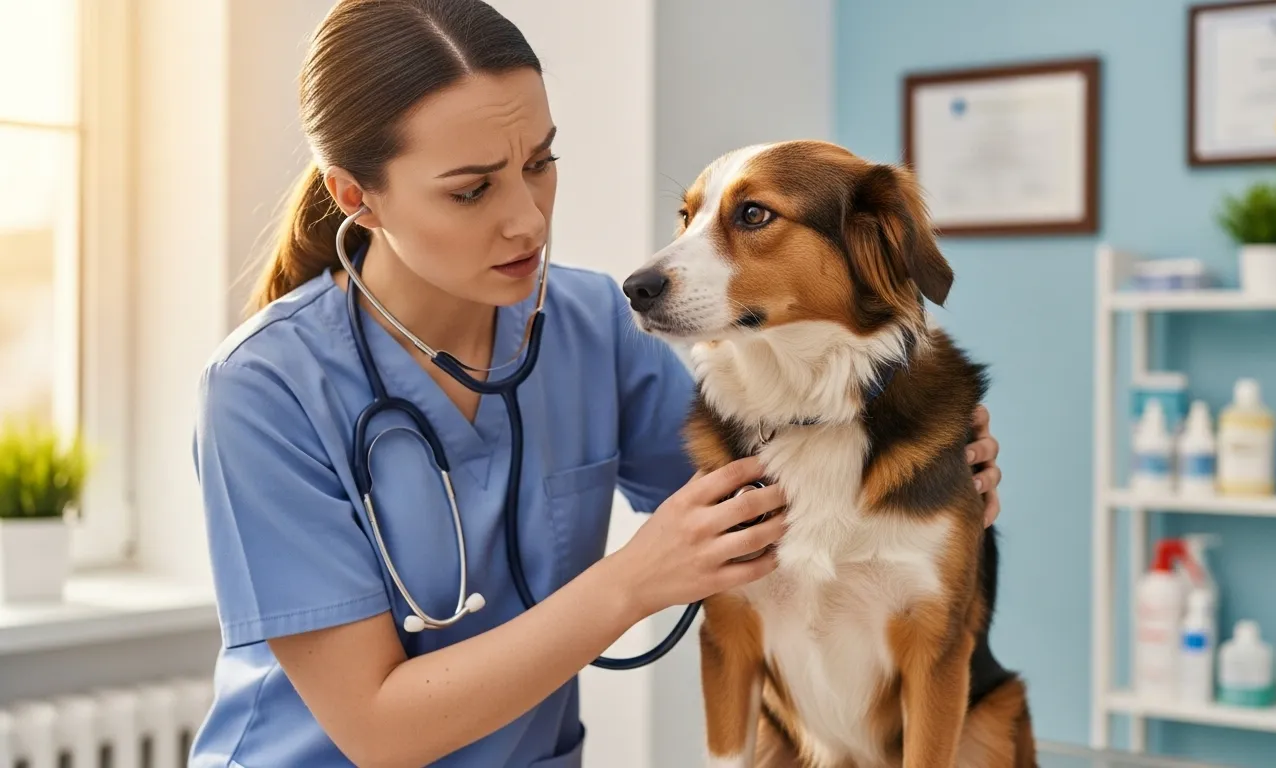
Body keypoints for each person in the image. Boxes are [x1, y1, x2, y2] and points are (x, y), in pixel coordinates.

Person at [187, 1, 1006, 766]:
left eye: (540, 163)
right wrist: (633, 581)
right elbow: (377, 729)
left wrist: (922, 478)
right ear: (356, 198)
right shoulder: (263, 391)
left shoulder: (589, 323)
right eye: (473, 189)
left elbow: (762, 515)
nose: (528, 219)